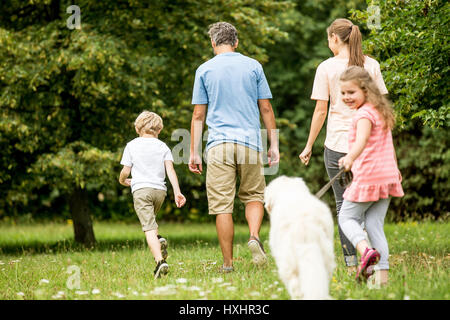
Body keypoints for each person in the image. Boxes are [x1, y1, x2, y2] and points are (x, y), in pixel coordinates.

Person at [299, 18, 389, 272]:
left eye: (328, 39)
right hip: (369, 145)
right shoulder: (371, 65)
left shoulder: (326, 68)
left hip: (338, 144)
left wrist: (308, 146)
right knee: (370, 205)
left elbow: (320, 110)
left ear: (335, 39)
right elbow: (382, 110)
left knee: (344, 205)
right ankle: (377, 262)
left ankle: (354, 263)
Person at [189, 22, 279, 272]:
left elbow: (198, 115)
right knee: (254, 196)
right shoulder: (254, 66)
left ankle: (228, 265)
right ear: (236, 42)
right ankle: (253, 236)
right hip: (250, 143)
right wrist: (274, 144)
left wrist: (194, 151)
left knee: (222, 206)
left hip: (219, 145)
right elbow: (266, 108)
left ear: (213, 43)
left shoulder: (204, 70)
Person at [337, 66, 404, 285]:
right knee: (375, 225)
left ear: (365, 90)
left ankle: (364, 251)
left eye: (351, 92)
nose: (346, 97)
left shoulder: (364, 114)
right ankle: (380, 282)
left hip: (369, 176)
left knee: (346, 217)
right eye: (343, 93)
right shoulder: (379, 110)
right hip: (386, 176)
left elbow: (362, 140)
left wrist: (349, 158)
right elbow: (388, 145)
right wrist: (395, 170)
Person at [119, 111, 186, 279]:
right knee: (152, 222)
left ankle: (159, 262)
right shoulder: (163, 146)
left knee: (148, 228)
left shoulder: (132, 145)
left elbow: (125, 171)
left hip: (141, 190)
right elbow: (170, 170)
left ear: (138, 127)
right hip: (159, 192)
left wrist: (122, 180)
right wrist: (177, 192)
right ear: (159, 129)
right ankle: (159, 239)